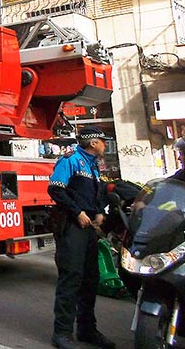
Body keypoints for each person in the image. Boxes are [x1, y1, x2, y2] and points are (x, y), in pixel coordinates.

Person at [47, 126, 116, 349]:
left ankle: (87, 329)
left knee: (90, 278)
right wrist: (77, 212)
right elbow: (56, 189)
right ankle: (62, 333)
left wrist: (98, 212)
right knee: (72, 277)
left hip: (88, 229)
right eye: (103, 141)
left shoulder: (93, 165)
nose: (105, 145)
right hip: (72, 226)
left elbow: (92, 195)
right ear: (93, 142)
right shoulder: (71, 159)